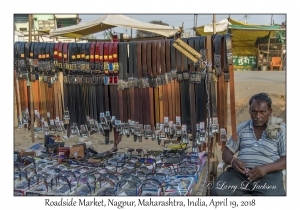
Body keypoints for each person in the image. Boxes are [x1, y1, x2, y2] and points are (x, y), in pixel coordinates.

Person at [211, 93, 286, 196]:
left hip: (269, 175)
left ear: (270, 111)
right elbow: (226, 153)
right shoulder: (241, 128)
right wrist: (233, 161)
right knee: (218, 191)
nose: (257, 116)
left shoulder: (280, 129)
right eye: (254, 112)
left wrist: (266, 168)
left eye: (262, 112)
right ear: (249, 111)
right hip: (241, 175)